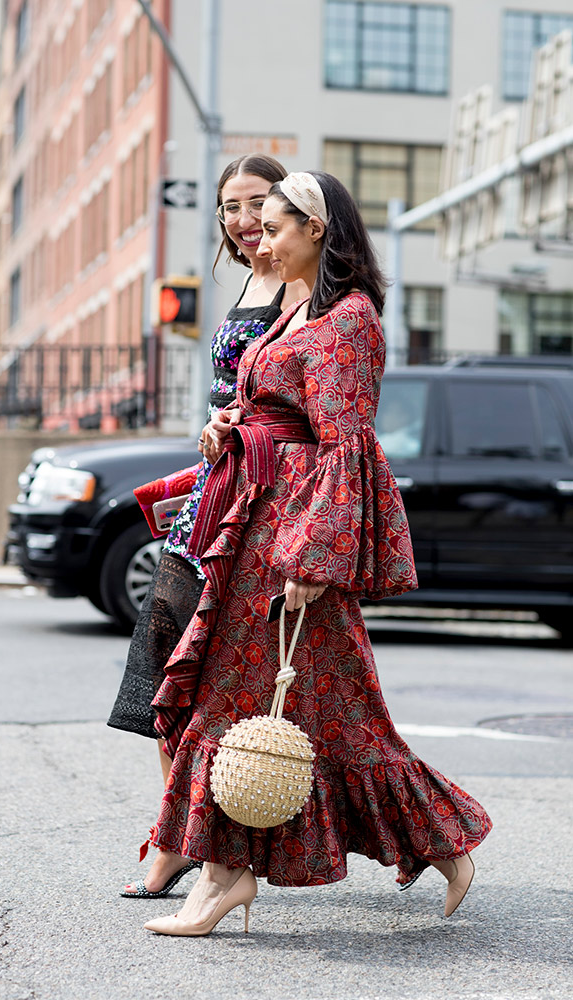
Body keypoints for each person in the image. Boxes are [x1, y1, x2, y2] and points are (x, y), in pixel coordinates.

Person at [142, 171, 492, 936]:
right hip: (257, 516)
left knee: (235, 697)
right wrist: (230, 424)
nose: (259, 243)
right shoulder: (299, 309)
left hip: (291, 534)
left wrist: (313, 555)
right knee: (339, 711)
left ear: (317, 228)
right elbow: (276, 403)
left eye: (273, 228)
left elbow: (342, 445)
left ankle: (222, 879)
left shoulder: (349, 320)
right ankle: (437, 844)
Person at [107, 154, 308, 898]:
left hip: (261, 500)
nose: (243, 219)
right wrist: (217, 420)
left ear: (292, 209)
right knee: (159, 660)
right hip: (213, 492)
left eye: (258, 203)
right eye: (230, 206)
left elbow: (309, 409)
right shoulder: (249, 282)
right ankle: (179, 835)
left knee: (234, 682)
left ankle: (184, 842)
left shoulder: (302, 284)